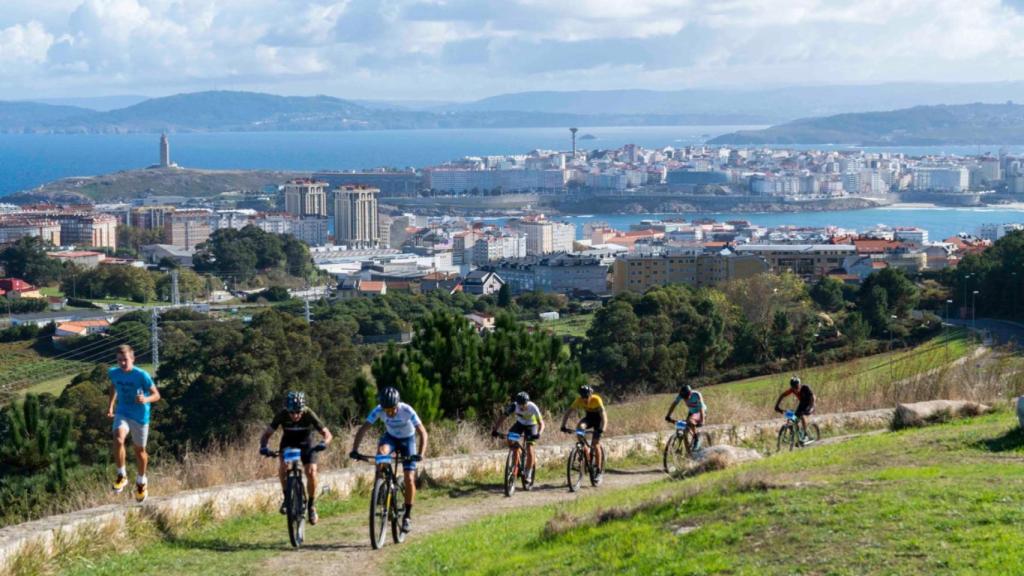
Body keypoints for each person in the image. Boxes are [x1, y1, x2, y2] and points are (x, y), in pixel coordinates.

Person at [350, 387, 429, 533]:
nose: (390, 413)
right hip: (391, 438)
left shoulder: (407, 410)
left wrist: (420, 453)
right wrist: (355, 450)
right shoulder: (378, 409)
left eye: (392, 409)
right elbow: (363, 429)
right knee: (381, 454)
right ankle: (380, 488)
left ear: (397, 405)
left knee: (409, 478)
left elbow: (423, 433)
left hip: (407, 440)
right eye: (387, 410)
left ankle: (407, 516)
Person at [259, 391, 332, 525]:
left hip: (306, 442)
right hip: (288, 442)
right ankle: (287, 498)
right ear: (287, 410)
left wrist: (324, 443)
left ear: (303, 409)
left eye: (298, 412)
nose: (295, 415)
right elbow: (266, 434)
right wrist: (264, 447)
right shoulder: (282, 414)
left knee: (311, 472)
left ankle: (311, 505)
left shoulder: (309, 413)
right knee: (283, 466)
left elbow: (327, 434)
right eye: (292, 412)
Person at [107, 344, 160, 503]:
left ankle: (141, 481)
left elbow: (156, 395)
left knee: (140, 451)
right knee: (118, 438)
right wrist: (110, 406)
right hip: (123, 411)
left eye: (125, 360)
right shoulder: (113, 373)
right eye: (119, 360)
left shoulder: (141, 375)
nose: (122, 363)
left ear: (132, 359)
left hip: (140, 416)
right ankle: (121, 474)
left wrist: (145, 399)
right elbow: (113, 387)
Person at [490, 391, 545, 485]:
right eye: (520, 405)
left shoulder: (533, 407)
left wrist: (539, 433)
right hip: (520, 424)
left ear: (527, 402)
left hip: (532, 425)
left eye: (523, 404)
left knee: (529, 447)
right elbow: (503, 417)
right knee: (510, 438)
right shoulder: (514, 406)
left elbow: (542, 423)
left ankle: (528, 473)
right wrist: (495, 430)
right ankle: (516, 454)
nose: (521, 407)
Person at [559, 385, 606, 478]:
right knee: (580, 427)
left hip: (599, 421)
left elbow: (604, 417)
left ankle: (598, 469)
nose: (585, 399)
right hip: (589, 419)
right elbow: (568, 412)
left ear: (591, 395)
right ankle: (584, 450)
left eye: (586, 397)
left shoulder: (597, 400)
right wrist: (563, 425)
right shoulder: (578, 400)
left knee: (596, 444)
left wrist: (602, 429)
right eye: (583, 397)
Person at [664, 384, 707, 449]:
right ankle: (689, 450)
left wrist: (702, 420)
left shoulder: (696, 395)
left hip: (700, 411)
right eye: (684, 398)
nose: (685, 400)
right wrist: (668, 415)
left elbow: (701, 408)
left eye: (686, 397)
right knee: (684, 427)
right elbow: (674, 405)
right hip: (692, 412)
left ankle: (696, 439)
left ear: (690, 393)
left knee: (690, 421)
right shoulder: (681, 395)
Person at [774, 376, 815, 441]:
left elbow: (813, 398)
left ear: (799, 384)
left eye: (797, 387)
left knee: (802, 415)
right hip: (802, 404)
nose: (795, 389)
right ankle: (799, 436)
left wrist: (811, 407)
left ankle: (805, 435)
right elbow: (782, 395)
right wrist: (777, 406)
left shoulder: (806, 388)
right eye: (793, 387)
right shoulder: (792, 390)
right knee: (793, 417)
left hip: (809, 404)